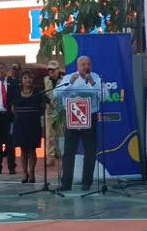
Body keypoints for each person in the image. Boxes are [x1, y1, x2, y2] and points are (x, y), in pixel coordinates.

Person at [55, 56, 104, 191]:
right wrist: (70, 83)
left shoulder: (95, 78)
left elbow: (105, 95)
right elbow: (56, 94)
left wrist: (93, 83)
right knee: (69, 152)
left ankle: (86, 183)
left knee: (90, 151)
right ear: (78, 66)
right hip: (72, 118)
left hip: (90, 118)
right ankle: (66, 183)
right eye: (83, 64)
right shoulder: (69, 78)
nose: (86, 66)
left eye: (88, 64)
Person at [10, 69, 49, 183]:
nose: (28, 80)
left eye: (30, 78)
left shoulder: (38, 91)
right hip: (20, 124)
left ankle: (32, 173)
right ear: (21, 80)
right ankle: (24, 173)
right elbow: (12, 108)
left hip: (33, 124)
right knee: (23, 150)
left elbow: (47, 103)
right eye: (25, 78)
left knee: (32, 150)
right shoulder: (16, 92)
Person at [43, 60, 63, 166]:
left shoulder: (64, 80)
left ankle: (62, 155)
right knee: (50, 135)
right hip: (50, 111)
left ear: (58, 70)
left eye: (53, 69)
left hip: (61, 111)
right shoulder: (45, 80)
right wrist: (48, 103)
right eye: (49, 70)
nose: (51, 72)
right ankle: (50, 157)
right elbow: (42, 94)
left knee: (61, 134)